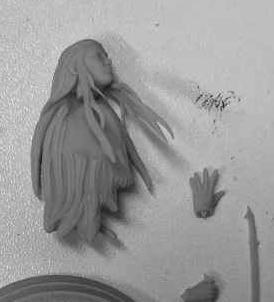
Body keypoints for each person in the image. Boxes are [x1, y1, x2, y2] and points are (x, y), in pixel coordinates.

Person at [31, 39, 173, 243]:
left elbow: (126, 148)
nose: (109, 61)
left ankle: (85, 217)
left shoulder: (101, 111)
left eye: (106, 55)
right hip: (79, 195)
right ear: (74, 68)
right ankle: (80, 216)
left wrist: (142, 174)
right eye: (99, 56)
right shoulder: (65, 118)